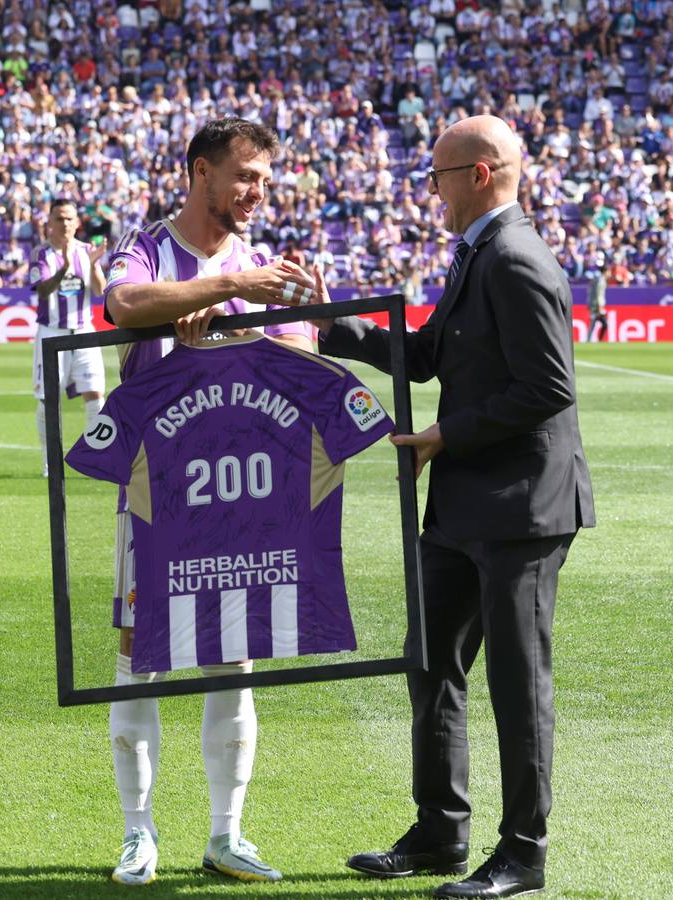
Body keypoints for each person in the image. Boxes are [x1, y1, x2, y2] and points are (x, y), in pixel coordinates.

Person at [324, 116, 595, 900]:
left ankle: (523, 854)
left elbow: (548, 388)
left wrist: (446, 434)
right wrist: (329, 322)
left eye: (437, 176)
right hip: (463, 507)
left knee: (517, 681)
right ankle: (441, 831)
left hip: (521, 511)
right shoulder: (478, 252)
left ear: (479, 174)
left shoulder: (513, 257)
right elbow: (427, 356)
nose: (430, 191)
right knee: (430, 662)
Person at [96, 117, 319, 887]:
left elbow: (303, 355)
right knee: (140, 655)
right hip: (157, 486)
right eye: (245, 176)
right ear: (200, 172)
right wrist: (226, 292)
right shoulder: (149, 248)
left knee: (236, 657)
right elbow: (125, 304)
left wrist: (241, 331)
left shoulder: (263, 263)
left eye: (264, 179)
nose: (257, 192)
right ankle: (138, 833)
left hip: (241, 486)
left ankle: (227, 834)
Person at [30, 198, 106, 476]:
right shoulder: (42, 254)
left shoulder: (87, 251)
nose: (64, 224)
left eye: (69, 218)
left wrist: (94, 265)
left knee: (95, 394)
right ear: (49, 223)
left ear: (77, 223)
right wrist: (63, 268)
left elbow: (100, 291)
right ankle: (50, 462)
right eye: (59, 218)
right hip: (52, 333)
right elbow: (42, 290)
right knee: (48, 399)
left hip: (84, 331)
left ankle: (95, 460)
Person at [586, 262, 607, 342]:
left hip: (595, 304)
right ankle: (592, 340)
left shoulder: (597, 278)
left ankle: (589, 339)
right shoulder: (600, 280)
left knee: (594, 322)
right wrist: (599, 306)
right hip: (597, 305)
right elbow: (598, 294)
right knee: (601, 323)